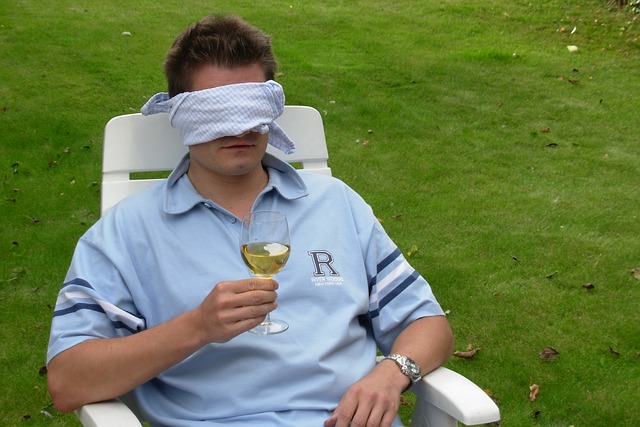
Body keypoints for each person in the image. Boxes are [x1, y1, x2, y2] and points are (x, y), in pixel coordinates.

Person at [46, 14, 454, 427]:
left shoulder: (337, 205)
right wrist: (197, 327)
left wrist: (392, 371)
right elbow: (68, 381)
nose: (239, 127)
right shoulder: (125, 232)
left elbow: (428, 323)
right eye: (216, 111)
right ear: (179, 114)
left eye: (251, 107)